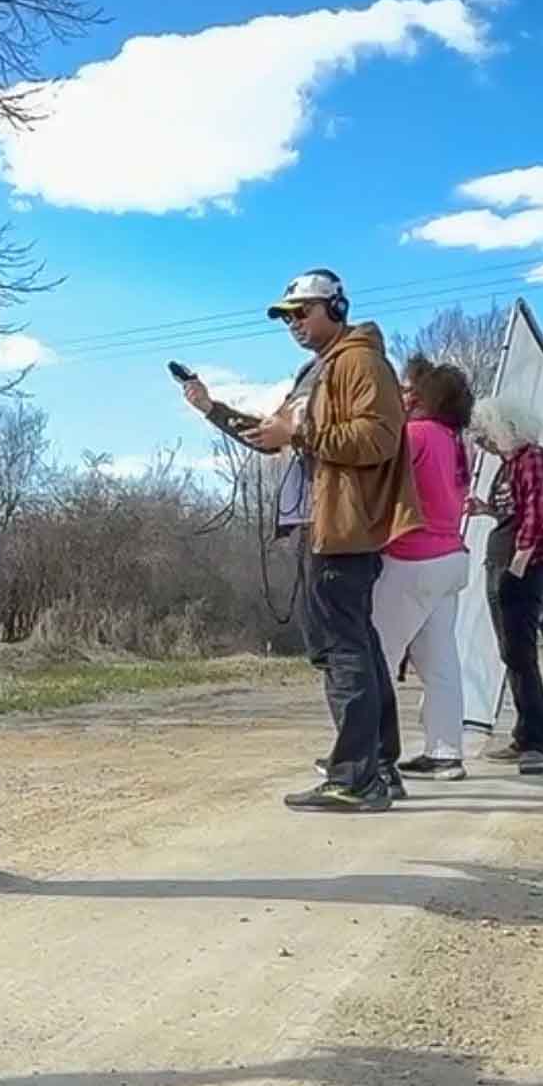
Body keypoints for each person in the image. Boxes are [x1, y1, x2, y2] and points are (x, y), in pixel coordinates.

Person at [181, 270, 421, 813]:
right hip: (324, 523)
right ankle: (378, 765)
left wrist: (301, 434)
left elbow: (379, 438)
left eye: (303, 311)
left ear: (336, 308)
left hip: (343, 525)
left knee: (342, 649)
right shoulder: (316, 370)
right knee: (354, 644)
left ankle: (356, 778)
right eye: (287, 316)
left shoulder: (360, 361)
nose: (293, 323)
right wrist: (211, 408)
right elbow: (274, 436)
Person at [378, 357, 475, 782]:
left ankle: (368, 754)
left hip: (410, 557)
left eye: (407, 389)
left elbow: (378, 478)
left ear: (420, 397)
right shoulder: (456, 441)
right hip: (451, 557)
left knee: (376, 655)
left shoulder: (414, 435)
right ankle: (445, 752)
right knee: (441, 663)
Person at [466, 394, 543, 773]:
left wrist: (520, 564)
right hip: (501, 560)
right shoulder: (508, 466)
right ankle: (525, 735)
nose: (482, 443)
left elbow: (537, 514)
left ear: (506, 428)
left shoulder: (535, 459)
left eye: (486, 434)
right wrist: (485, 509)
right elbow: (514, 511)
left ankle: (537, 741)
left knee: (521, 654)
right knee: (510, 653)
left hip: (521, 566)